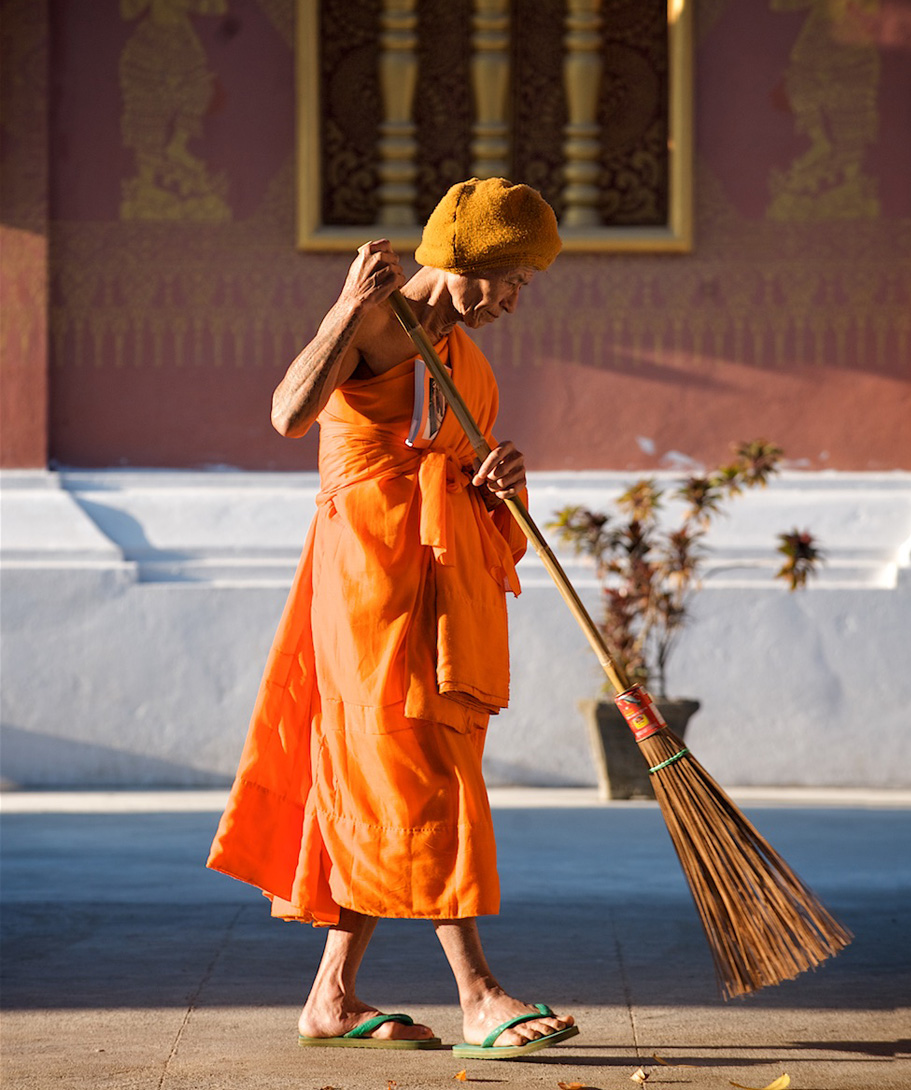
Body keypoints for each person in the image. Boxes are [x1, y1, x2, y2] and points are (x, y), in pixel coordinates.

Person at [207, 178, 578, 1059]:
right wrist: (343, 311)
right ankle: (480, 994)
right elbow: (290, 413)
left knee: (390, 778)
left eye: (525, 284)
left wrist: (501, 481)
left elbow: (465, 480)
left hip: (441, 600)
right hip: (367, 592)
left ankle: (331, 998)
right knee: (422, 775)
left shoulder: (469, 364)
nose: (514, 302)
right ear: (462, 260)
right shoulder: (378, 327)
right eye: (511, 280)